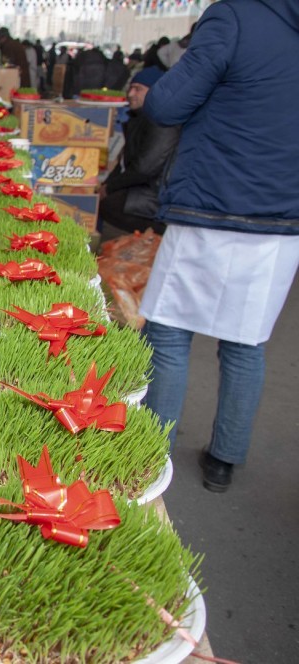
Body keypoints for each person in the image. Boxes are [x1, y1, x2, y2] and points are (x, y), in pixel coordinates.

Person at [139, 0, 299, 493]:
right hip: (283, 214)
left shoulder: (234, 16)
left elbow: (166, 104)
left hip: (213, 201)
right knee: (245, 342)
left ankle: (148, 450)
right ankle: (223, 459)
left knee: (168, 334)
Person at [98, 67, 178, 240]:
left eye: (138, 89)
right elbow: (124, 164)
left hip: (156, 196)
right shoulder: (140, 119)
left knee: (109, 205)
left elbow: (145, 167)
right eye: (131, 88)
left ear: (155, 92)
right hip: (144, 189)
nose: (131, 94)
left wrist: (110, 188)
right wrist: (105, 185)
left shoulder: (162, 123)